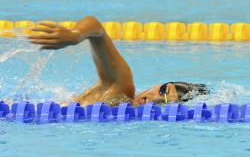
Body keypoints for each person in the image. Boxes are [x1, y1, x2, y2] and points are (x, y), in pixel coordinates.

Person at [29, 16, 208, 106]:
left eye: (165, 102)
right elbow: (96, 27)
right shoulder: (122, 90)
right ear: (158, 84)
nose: (154, 99)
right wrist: (75, 36)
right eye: (163, 90)